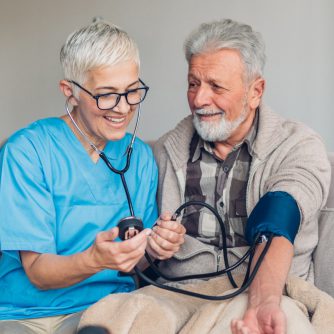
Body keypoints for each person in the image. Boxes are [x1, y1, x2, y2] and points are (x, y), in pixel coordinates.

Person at [76, 19, 331, 334]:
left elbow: (277, 220)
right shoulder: (163, 154)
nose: (198, 99)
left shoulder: (297, 145)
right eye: (193, 83)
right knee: (117, 317)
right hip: (177, 293)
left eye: (216, 86)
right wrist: (155, 246)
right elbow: (139, 257)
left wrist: (263, 302)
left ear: (255, 91)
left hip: (265, 290)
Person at [0, 21, 185, 334]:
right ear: (69, 92)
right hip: (26, 312)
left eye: (132, 91)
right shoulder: (28, 151)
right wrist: (95, 259)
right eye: (106, 95)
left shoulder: (138, 157)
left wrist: (156, 247)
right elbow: (37, 272)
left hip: (104, 310)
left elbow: (138, 261)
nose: (123, 107)